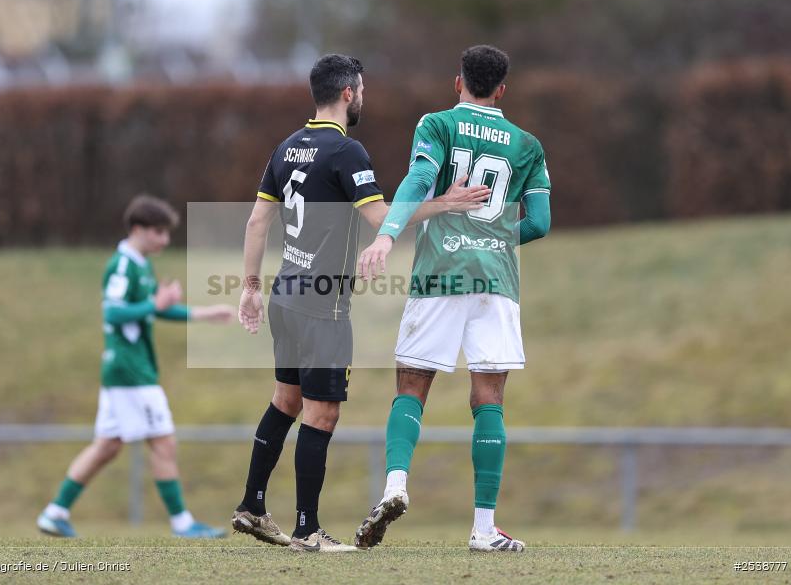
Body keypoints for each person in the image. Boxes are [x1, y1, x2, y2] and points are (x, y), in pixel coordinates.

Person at [232, 54, 489, 552]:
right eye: (363, 89)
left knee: (285, 401)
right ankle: (308, 531)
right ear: (349, 93)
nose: (364, 97)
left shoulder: (286, 148)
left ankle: (253, 507)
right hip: (323, 304)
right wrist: (446, 204)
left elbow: (256, 223)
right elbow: (381, 219)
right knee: (321, 413)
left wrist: (248, 287)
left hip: (286, 293)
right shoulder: (347, 151)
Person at [354, 44, 552, 552]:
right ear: (503, 89)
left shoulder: (437, 124)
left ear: (457, 82)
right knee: (489, 399)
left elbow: (421, 179)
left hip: (440, 272)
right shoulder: (528, 144)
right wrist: (493, 237)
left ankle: (395, 486)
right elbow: (540, 223)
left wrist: (386, 235)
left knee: (412, 384)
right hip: (496, 282)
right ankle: (484, 529)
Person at [36, 194, 235, 538]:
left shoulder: (140, 264)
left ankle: (55, 513)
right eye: (158, 232)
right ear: (139, 229)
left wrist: (203, 313)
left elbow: (152, 308)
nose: (165, 240)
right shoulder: (123, 265)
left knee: (107, 446)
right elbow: (111, 311)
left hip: (126, 369)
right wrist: (153, 302)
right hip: (130, 370)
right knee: (163, 441)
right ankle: (182, 523)